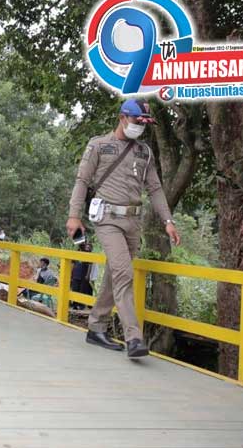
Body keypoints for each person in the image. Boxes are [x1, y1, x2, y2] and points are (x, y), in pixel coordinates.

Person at [66, 99, 180, 358]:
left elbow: (155, 189)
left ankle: (96, 326)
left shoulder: (145, 152)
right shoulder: (99, 145)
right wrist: (74, 215)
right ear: (122, 117)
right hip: (107, 218)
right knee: (124, 274)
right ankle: (134, 337)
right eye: (136, 121)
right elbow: (82, 181)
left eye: (144, 123)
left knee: (116, 274)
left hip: (133, 222)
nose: (140, 126)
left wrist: (168, 221)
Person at [70, 241, 99, 310]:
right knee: (75, 289)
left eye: (89, 246)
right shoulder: (77, 253)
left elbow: (90, 265)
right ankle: (75, 304)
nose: (87, 247)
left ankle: (81, 305)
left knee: (82, 290)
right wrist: (71, 273)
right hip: (76, 274)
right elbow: (72, 264)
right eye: (86, 246)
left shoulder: (89, 254)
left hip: (84, 274)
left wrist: (88, 275)